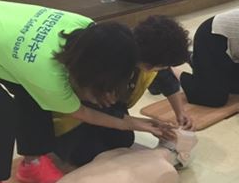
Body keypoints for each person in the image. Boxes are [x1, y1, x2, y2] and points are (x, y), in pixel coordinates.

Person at [0, 0, 171, 183]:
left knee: (31, 96)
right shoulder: (48, 75)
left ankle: (32, 164)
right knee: (2, 113)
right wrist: (130, 123)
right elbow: (81, 112)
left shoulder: (87, 28)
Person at [54, 16, 192, 167]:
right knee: (87, 155)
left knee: (123, 140)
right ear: (149, 65)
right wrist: (135, 123)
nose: (163, 69)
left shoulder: (143, 55)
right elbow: (85, 106)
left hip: (104, 105)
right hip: (71, 113)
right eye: (162, 66)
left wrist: (180, 112)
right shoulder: (111, 62)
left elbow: (166, 80)